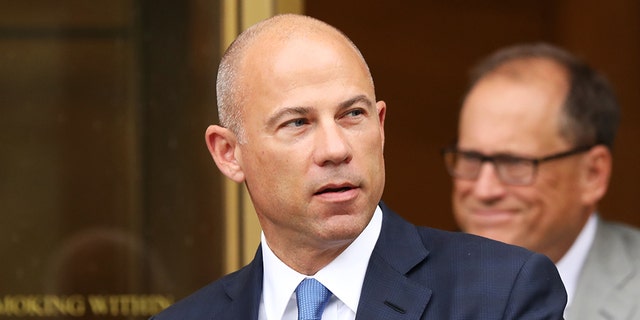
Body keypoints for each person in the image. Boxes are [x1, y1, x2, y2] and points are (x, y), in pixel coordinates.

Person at [152, 14, 566, 320]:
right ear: (228, 152)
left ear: (381, 126)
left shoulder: (503, 293)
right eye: (297, 123)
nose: (335, 149)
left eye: (352, 115)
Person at [444, 42, 640, 319]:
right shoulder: (410, 284)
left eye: (515, 163)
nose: (484, 189)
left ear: (593, 174)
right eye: (471, 158)